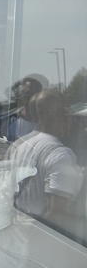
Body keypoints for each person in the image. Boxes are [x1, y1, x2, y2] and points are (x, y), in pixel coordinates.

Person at [8, 88, 83, 219]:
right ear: (58, 115)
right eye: (67, 114)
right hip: (36, 234)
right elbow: (57, 215)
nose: (72, 121)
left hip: (15, 223)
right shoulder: (61, 156)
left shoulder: (19, 144)